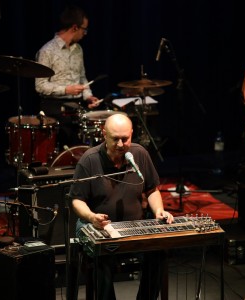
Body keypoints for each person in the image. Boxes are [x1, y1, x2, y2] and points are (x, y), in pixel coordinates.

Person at [69, 113, 174, 299]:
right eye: (115, 139)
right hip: (97, 226)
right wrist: (92, 217)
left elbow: (152, 190)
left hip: (133, 226)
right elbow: (77, 200)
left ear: (132, 134)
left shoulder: (139, 154)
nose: (120, 144)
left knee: (158, 253)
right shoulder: (89, 160)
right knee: (102, 255)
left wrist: (158, 210)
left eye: (125, 139)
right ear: (104, 134)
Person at [35, 4, 100, 148]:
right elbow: (40, 86)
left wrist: (88, 95)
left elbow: (82, 77)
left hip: (75, 106)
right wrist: (66, 90)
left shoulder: (78, 49)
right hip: (54, 107)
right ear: (75, 28)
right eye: (84, 29)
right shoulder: (47, 51)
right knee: (67, 136)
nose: (85, 33)